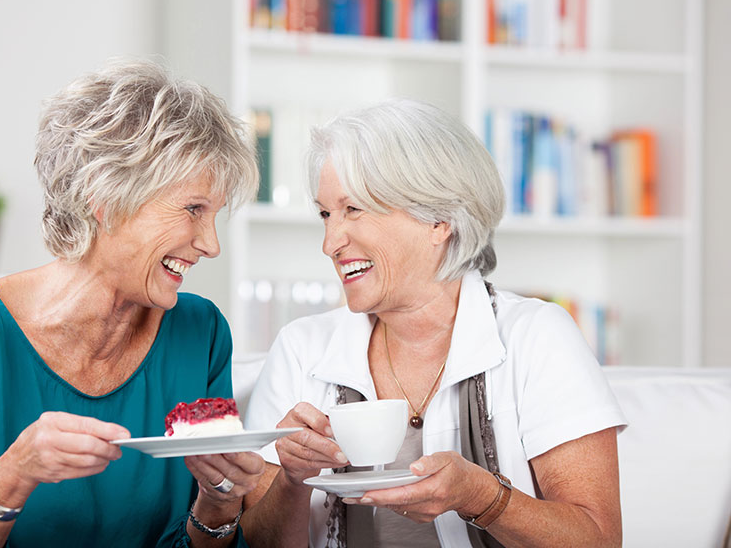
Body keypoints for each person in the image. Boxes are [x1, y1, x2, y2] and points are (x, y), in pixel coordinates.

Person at [0, 59, 264, 547]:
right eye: (193, 209)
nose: (211, 245)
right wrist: (12, 477)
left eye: (214, 215)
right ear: (103, 195)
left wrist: (218, 503)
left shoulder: (201, 331)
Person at [241, 99, 627, 547]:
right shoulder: (300, 347)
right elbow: (257, 542)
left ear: (439, 219)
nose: (330, 243)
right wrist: (291, 480)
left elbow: (598, 540)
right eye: (326, 214)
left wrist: (482, 496)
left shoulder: (538, 336)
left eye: (354, 210)